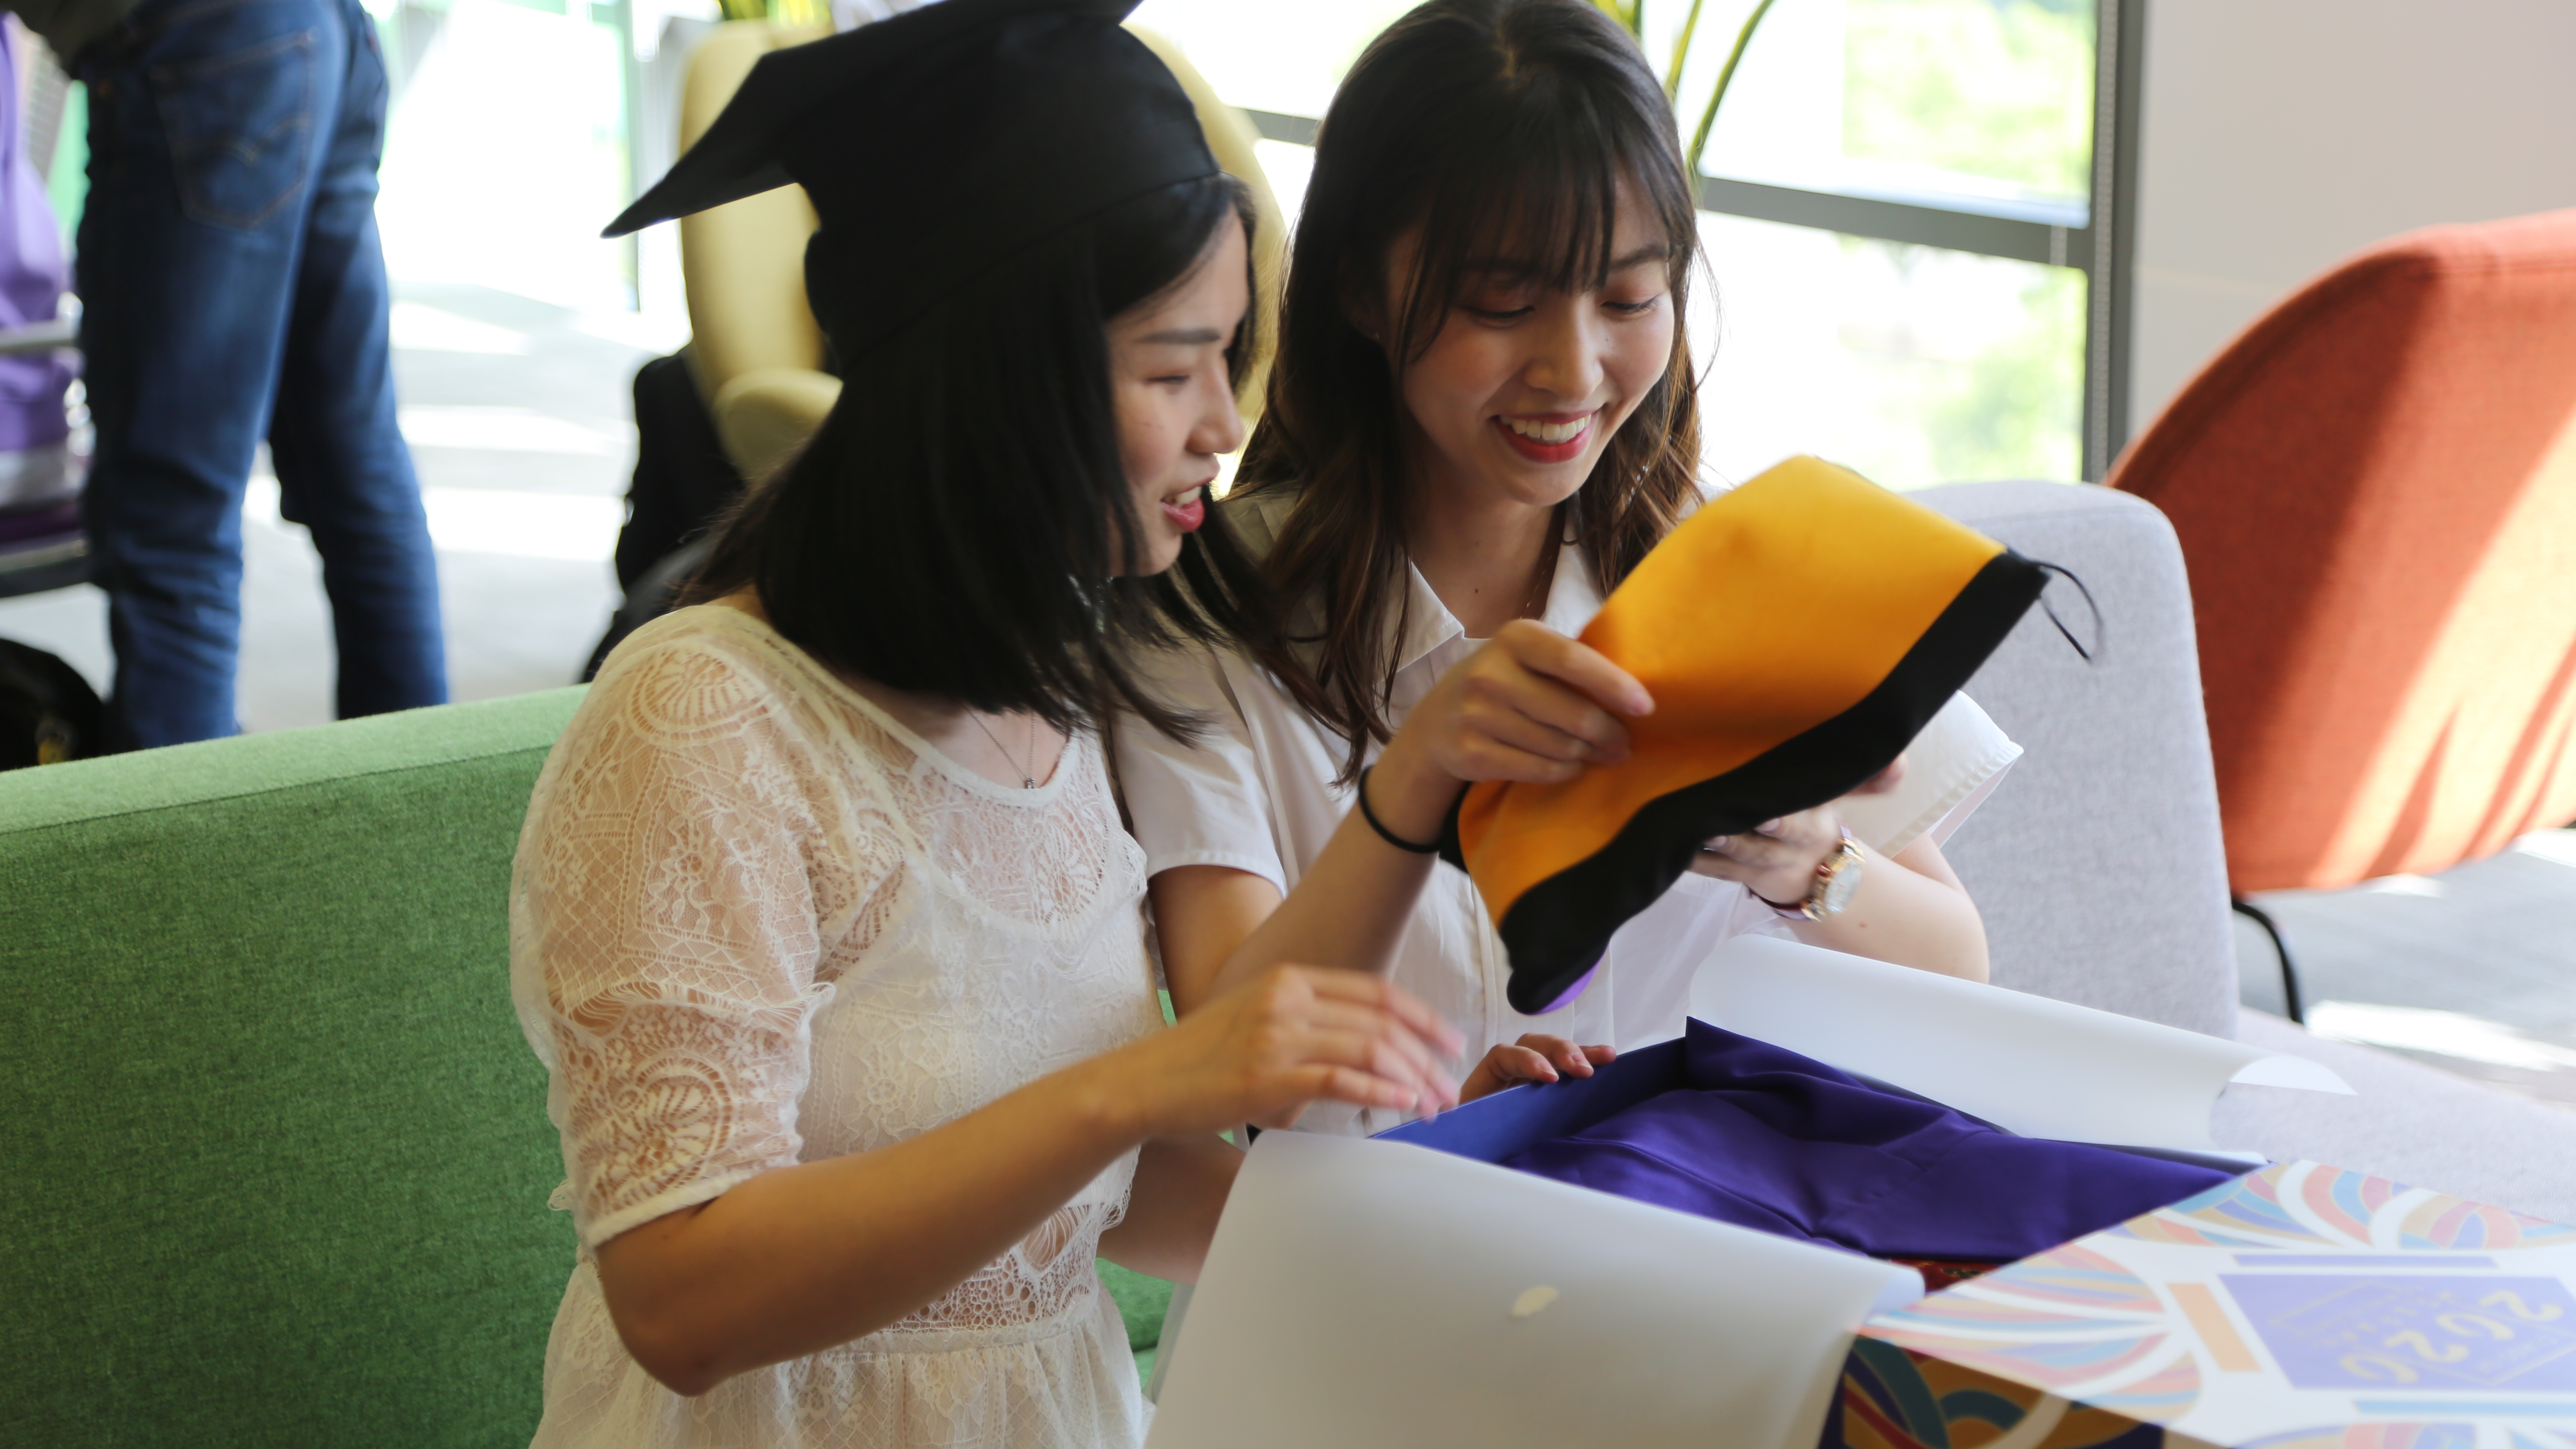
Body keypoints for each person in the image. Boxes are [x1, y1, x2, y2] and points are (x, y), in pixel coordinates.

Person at [511, 4, 1468, 1444]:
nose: (1226, 420)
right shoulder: (701, 725)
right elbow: (682, 1301)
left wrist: (1461, 1187)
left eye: (1230, 356)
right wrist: (1140, 1084)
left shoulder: (1054, 682)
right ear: (996, 383)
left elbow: (1084, 1198)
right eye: (1173, 366)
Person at [1117, 0, 2023, 1125]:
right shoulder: (1209, 611)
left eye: (1629, 297)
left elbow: (1957, 969)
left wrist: (1805, 860)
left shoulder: (1736, 562)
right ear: (1359, 287)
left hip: (1695, 1242)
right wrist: (1454, 1113)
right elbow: (1222, 1055)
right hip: (1364, 1268)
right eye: (1504, 302)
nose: (1574, 368)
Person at [22, 0, 444, 747]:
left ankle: (182, 856)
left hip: (204, 48)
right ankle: (429, 832)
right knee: (356, 469)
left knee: (171, 514)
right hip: (321, 30)